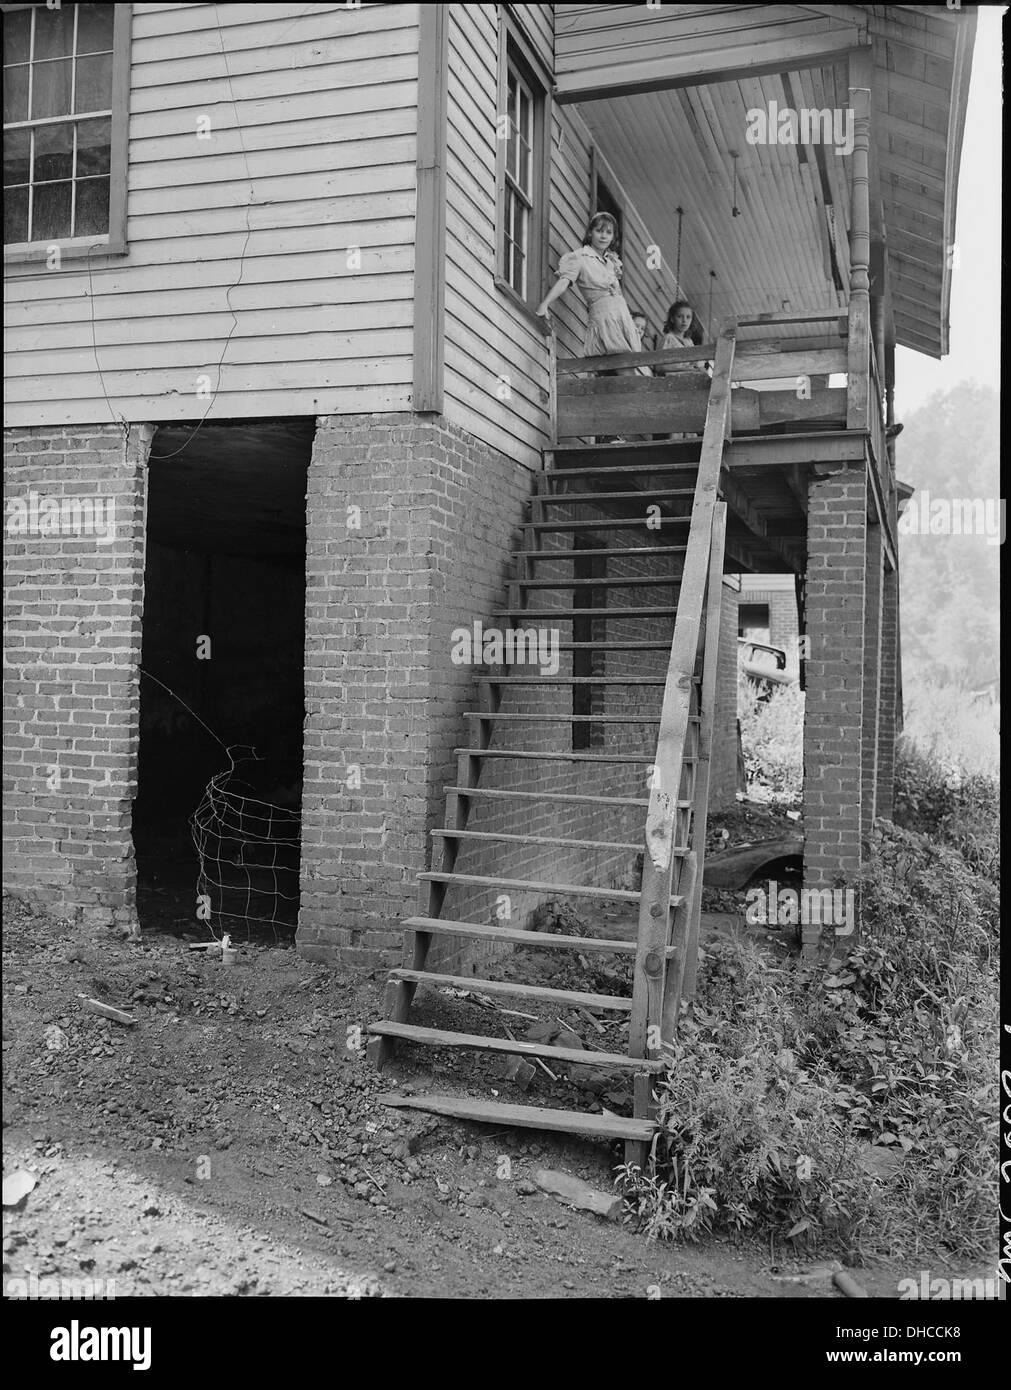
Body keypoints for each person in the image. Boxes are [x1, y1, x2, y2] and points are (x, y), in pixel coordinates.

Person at [535, 212, 647, 374]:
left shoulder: (611, 262)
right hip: (604, 317)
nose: (603, 236)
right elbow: (564, 282)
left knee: (628, 366)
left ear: (613, 237)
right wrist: (544, 305)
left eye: (609, 232)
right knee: (624, 369)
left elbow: (617, 294)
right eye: (599, 231)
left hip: (621, 316)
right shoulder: (580, 257)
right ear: (590, 232)